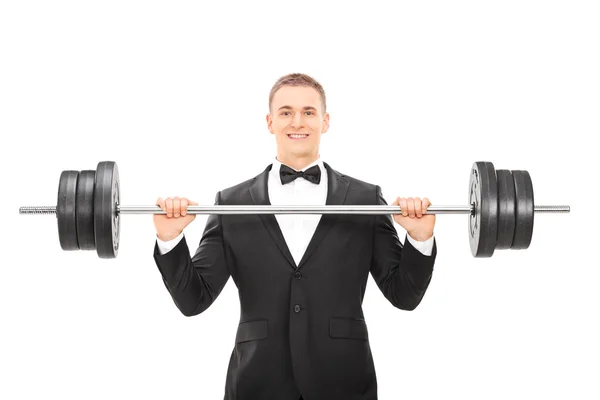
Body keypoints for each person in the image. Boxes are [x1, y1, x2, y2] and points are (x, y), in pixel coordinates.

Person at [152, 73, 437, 400]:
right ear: (270, 122)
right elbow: (194, 300)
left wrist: (419, 239)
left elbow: (404, 295)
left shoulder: (365, 199)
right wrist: (171, 240)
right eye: (286, 112)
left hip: (344, 383)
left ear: (325, 121)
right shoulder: (231, 203)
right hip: (257, 385)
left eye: (309, 112)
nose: (297, 121)